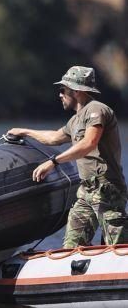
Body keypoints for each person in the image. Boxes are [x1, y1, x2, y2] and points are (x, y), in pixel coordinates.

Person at [7, 66, 128, 248]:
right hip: (86, 192)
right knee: (71, 246)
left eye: (63, 90)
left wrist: (53, 162)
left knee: (116, 246)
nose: (60, 95)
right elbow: (54, 137)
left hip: (107, 189)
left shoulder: (96, 110)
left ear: (77, 91)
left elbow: (89, 143)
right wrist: (24, 131)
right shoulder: (75, 120)